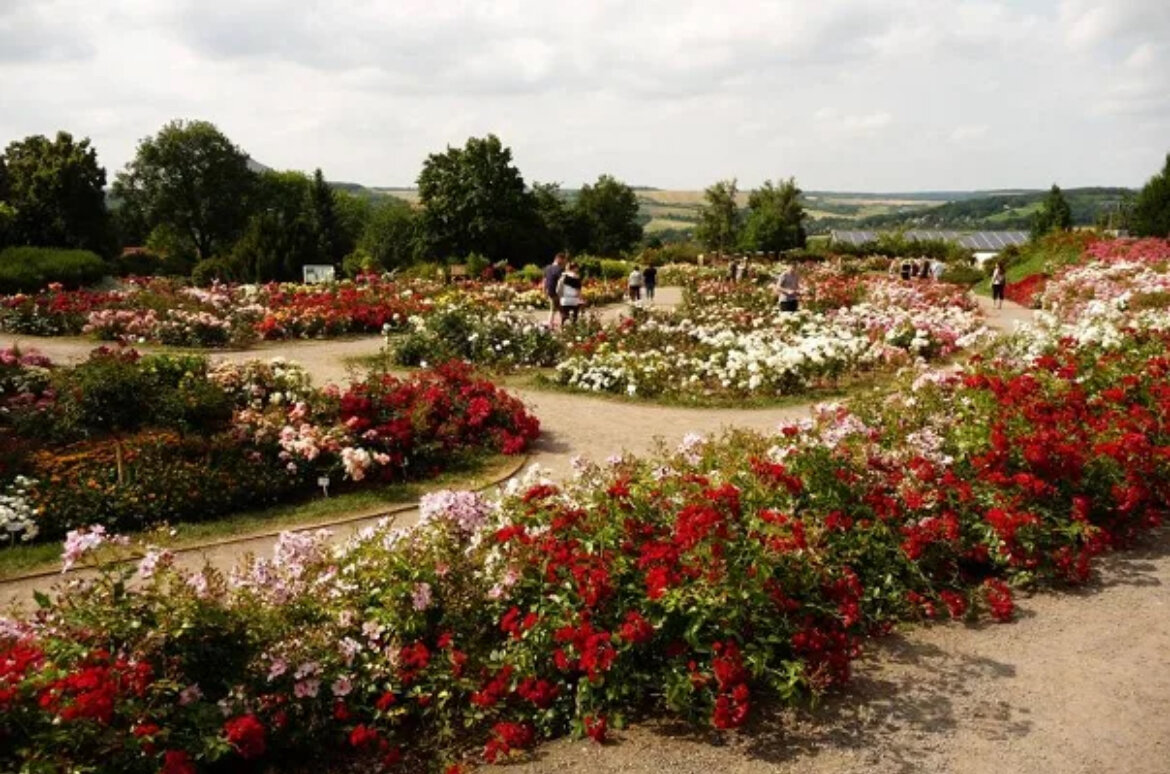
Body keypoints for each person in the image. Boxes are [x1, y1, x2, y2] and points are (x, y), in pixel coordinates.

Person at [543, 252, 566, 327]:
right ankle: (551, 324)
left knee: (556, 308)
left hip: (549, 291)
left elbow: (544, 280)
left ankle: (553, 322)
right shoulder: (559, 269)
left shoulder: (547, 267)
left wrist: (544, 291)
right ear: (558, 259)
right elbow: (562, 281)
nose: (564, 262)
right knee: (555, 308)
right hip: (555, 292)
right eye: (563, 260)